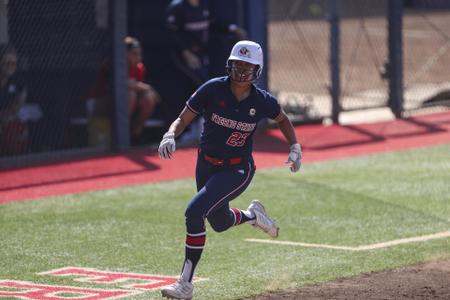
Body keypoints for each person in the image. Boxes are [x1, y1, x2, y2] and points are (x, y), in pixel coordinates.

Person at [158, 40, 302, 299]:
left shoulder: (261, 100)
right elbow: (184, 117)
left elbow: (282, 119)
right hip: (206, 164)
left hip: (237, 169)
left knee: (194, 212)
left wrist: (295, 147)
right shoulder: (213, 89)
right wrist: (171, 134)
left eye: (248, 66)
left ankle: (185, 284)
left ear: (257, 69)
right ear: (229, 64)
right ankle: (253, 216)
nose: (242, 70)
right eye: (238, 64)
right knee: (220, 222)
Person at [166, 0, 247, 144]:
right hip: (182, 57)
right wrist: (186, 53)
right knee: (202, 88)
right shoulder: (177, 8)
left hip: (201, 56)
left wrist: (232, 29)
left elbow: (212, 24)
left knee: (197, 89)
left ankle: (198, 129)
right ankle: (192, 130)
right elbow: (172, 34)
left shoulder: (204, 5)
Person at [87, 36, 160, 145]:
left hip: (123, 109)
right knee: (130, 94)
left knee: (148, 98)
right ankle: (119, 138)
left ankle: (134, 135)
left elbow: (138, 89)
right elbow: (124, 85)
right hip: (99, 105)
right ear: (124, 54)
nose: (138, 57)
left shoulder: (139, 68)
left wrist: (148, 92)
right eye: (134, 54)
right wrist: (147, 88)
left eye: (140, 54)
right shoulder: (111, 64)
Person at [0, 44, 28, 155]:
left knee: (16, 126)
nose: (10, 66)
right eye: (7, 63)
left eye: (13, 64)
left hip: (7, 116)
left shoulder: (17, 81)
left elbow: (18, 103)